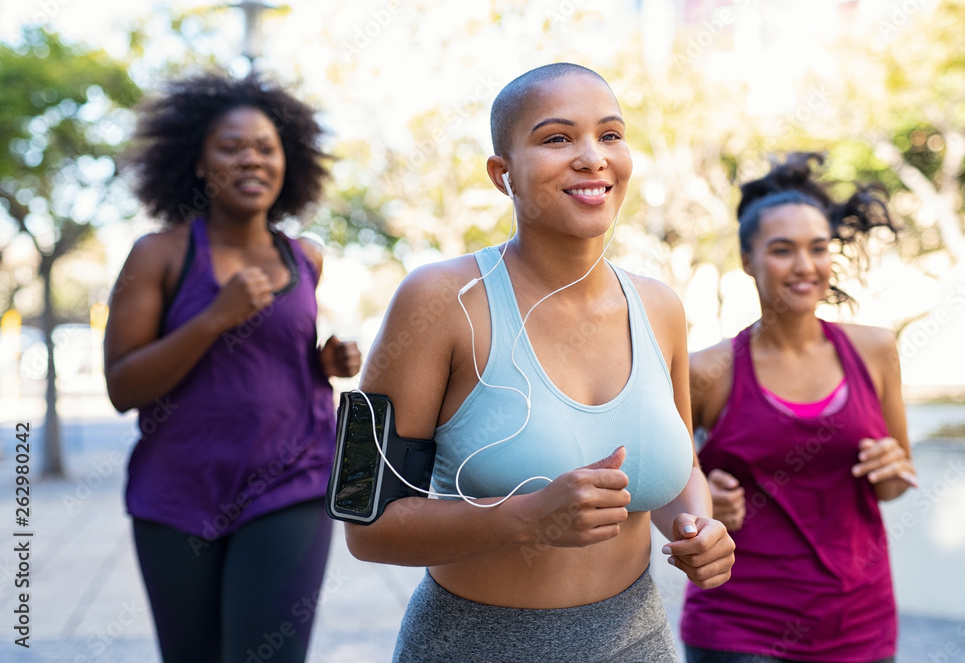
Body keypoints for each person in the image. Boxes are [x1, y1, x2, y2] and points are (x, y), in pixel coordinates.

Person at [345, 62, 735, 663]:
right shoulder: (435, 300)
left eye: (610, 135)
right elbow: (363, 522)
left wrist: (697, 525)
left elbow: (677, 460)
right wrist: (526, 518)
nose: (592, 157)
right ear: (503, 175)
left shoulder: (661, 307)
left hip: (639, 643)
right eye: (557, 138)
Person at [103, 71, 360, 663]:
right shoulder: (159, 255)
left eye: (266, 148)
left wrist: (326, 361)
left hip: (290, 482)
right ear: (197, 162)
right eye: (232, 147)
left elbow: (279, 358)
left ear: (287, 163)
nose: (252, 159)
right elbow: (122, 387)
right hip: (179, 490)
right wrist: (214, 317)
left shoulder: (305, 257)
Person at [680, 153, 918, 663]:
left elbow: (896, 484)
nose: (806, 266)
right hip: (740, 630)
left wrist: (891, 468)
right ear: (748, 260)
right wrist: (702, 505)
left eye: (817, 248)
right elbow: (669, 495)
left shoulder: (875, 350)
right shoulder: (707, 372)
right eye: (783, 250)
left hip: (861, 623)